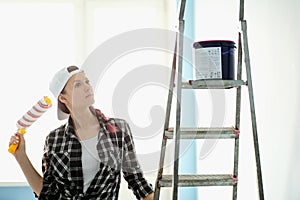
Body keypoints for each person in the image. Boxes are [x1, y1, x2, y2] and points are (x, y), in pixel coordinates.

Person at [9, 66, 154, 200]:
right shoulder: (54, 140)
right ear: (63, 98)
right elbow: (48, 194)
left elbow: (137, 181)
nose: (87, 87)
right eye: (78, 85)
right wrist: (21, 157)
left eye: (87, 82)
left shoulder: (118, 130)